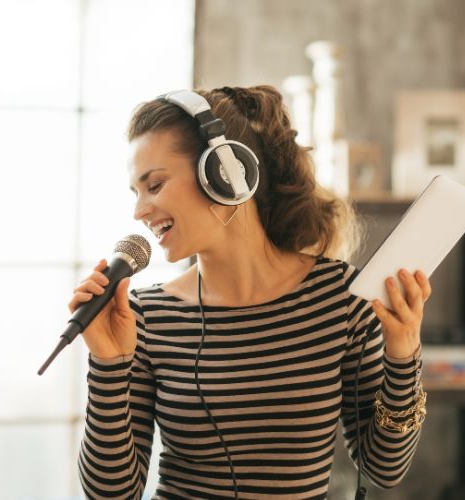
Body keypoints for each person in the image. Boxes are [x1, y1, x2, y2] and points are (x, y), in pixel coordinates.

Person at [71, 85, 431, 499]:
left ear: (224, 173)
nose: (138, 211)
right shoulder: (143, 317)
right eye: (136, 193)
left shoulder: (341, 298)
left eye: (154, 185)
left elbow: (382, 468)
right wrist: (107, 365)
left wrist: (403, 357)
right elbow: (111, 495)